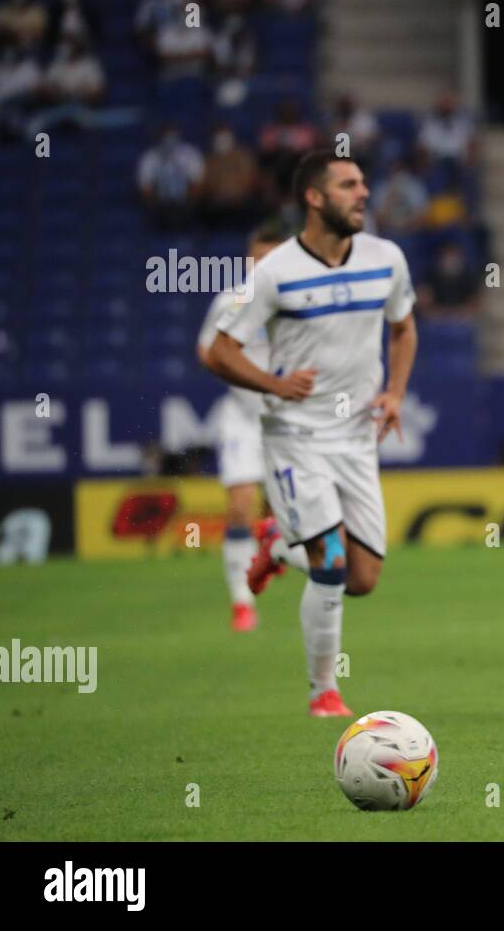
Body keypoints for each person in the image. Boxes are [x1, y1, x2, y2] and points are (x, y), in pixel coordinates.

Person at [206, 151, 419, 717]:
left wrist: (395, 392)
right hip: (295, 436)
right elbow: (219, 352)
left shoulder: (386, 258)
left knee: (363, 577)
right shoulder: (274, 273)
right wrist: (272, 385)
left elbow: (403, 328)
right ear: (315, 198)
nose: (363, 193)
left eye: (364, 183)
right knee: (329, 563)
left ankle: (278, 544)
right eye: (349, 185)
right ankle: (323, 691)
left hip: (355, 438)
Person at [195, 222, 305, 631]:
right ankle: (242, 602)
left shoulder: (301, 300)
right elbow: (207, 350)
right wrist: (247, 379)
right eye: (256, 258)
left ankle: (269, 551)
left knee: (287, 514)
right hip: (243, 418)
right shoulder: (232, 300)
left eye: (270, 258)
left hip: (289, 420)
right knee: (240, 505)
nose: (262, 266)